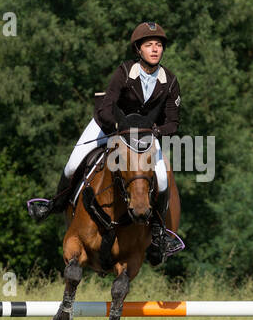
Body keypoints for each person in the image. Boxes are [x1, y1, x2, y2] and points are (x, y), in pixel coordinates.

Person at [27, 21, 184, 264]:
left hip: (145, 136)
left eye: (159, 45)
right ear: (138, 50)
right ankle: (54, 204)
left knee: (162, 179)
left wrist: (155, 131)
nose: (155, 49)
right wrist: (117, 128)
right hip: (109, 126)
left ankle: (158, 234)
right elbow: (106, 108)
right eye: (149, 45)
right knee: (72, 165)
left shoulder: (170, 81)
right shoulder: (124, 72)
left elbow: (173, 123)